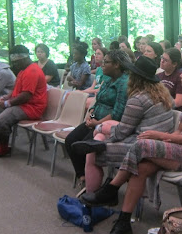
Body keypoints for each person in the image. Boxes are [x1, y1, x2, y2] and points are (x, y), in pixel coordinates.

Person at [81, 58, 182, 234]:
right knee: (141, 167)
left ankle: (111, 188)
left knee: (142, 144)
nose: (181, 75)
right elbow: (179, 132)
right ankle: (124, 221)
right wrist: (165, 141)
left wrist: (160, 137)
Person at [71, 56, 175, 194]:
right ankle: (98, 141)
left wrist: (100, 127)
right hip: (159, 142)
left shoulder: (138, 99)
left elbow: (122, 132)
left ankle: (92, 195)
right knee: (102, 133)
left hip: (142, 146)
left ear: (135, 77)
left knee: (93, 153)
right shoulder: (164, 95)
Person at [65, 49, 130, 185]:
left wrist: (97, 123)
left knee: (83, 146)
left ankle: (92, 181)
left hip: (108, 126)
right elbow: (98, 101)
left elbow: (118, 113)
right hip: (95, 120)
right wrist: (91, 116)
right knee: (70, 141)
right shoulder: (108, 79)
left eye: (106, 62)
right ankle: (83, 176)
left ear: (117, 65)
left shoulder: (124, 83)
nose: (102, 65)